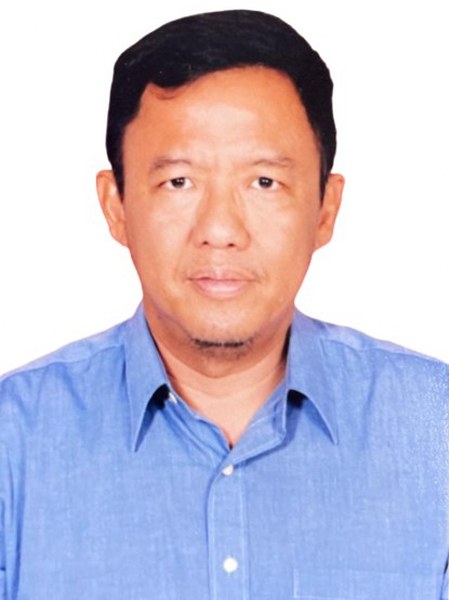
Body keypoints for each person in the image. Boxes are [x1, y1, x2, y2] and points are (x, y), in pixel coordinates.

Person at [0, 9, 447, 599]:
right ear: (115, 206)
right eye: (178, 182)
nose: (220, 230)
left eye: (264, 182)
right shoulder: (14, 442)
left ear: (325, 209)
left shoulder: (435, 432)